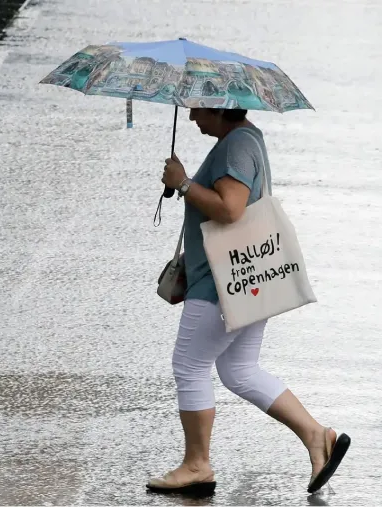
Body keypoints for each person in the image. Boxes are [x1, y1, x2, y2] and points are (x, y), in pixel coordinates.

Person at [147, 107, 350, 495]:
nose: (191, 117)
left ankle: (196, 465)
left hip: (223, 282)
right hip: (248, 276)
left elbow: (231, 208)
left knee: (189, 366)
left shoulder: (236, 146)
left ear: (219, 106)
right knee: (238, 369)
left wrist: (183, 183)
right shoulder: (247, 137)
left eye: (197, 107)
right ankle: (316, 436)